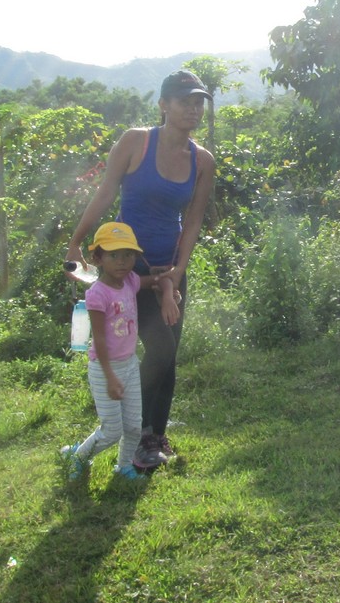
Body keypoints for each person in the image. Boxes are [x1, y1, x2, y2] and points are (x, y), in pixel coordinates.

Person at [66, 70, 216, 470]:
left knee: (169, 355)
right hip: (126, 270)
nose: (192, 109)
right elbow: (105, 193)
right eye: (184, 101)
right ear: (163, 105)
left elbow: (194, 221)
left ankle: (153, 435)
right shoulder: (136, 142)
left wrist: (177, 273)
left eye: (198, 102)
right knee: (159, 348)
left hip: (170, 269)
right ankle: (137, 431)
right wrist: (76, 241)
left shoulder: (202, 160)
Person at [60, 221, 180, 481]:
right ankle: (77, 457)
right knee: (112, 430)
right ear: (98, 258)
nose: (122, 262)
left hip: (129, 365)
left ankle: (124, 467)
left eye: (128, 255)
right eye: (114, 255)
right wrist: (110, 377)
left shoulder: (130, 282)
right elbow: (100, 341)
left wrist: (167, 288)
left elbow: (153, 281)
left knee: (134, 426)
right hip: (105, 369)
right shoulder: (97, 294)